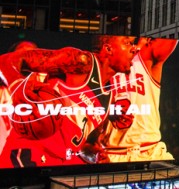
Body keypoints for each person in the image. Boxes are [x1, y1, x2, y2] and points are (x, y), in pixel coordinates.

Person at [0, 36, 139, 167]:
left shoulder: (109, 97)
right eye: (127, 43)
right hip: (30, 152)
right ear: (108, 49)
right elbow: (6, 60)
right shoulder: (81, 61)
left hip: (61, 164)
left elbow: (83, 144)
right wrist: (16, 86)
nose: (135, 49)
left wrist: (95, 154)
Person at [100, 37, 178, 162]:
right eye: (126, 42)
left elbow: (171, 36)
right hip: (112, 154)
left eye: (130, 42)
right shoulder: (96, 66)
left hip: (150, 151)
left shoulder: (145, 56)